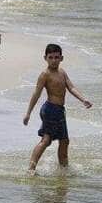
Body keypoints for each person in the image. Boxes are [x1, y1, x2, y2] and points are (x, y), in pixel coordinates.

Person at [23, 43, 92, 175]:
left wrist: (83, 100)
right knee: (46, 140)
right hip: (49, 110)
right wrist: (28, 113)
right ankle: (31, 169)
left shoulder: (62, 72)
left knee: (65, 141)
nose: (54, 60)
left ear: (61, 58)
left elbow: (71, 87)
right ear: (45, 58)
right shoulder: (45, 74)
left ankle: (64, 169)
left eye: (56, 57)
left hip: (59, 111)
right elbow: (36, 93)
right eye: (51, 57)